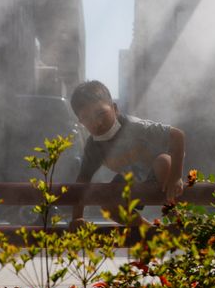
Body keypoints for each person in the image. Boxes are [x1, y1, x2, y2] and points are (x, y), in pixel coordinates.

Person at [69, 80, 185, 226]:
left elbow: (177, 136)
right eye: (87, 118)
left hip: (156, 175)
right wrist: (76, 218)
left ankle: (177, 216)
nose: (97, 123)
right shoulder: (94, 147)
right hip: (130, 181)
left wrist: (176, 176)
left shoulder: (135, 127)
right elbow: (82, 182)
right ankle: (147, 229)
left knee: (163, 161)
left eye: (101, 113)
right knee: (106, 204)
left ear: (114, 108)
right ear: (81, 121)